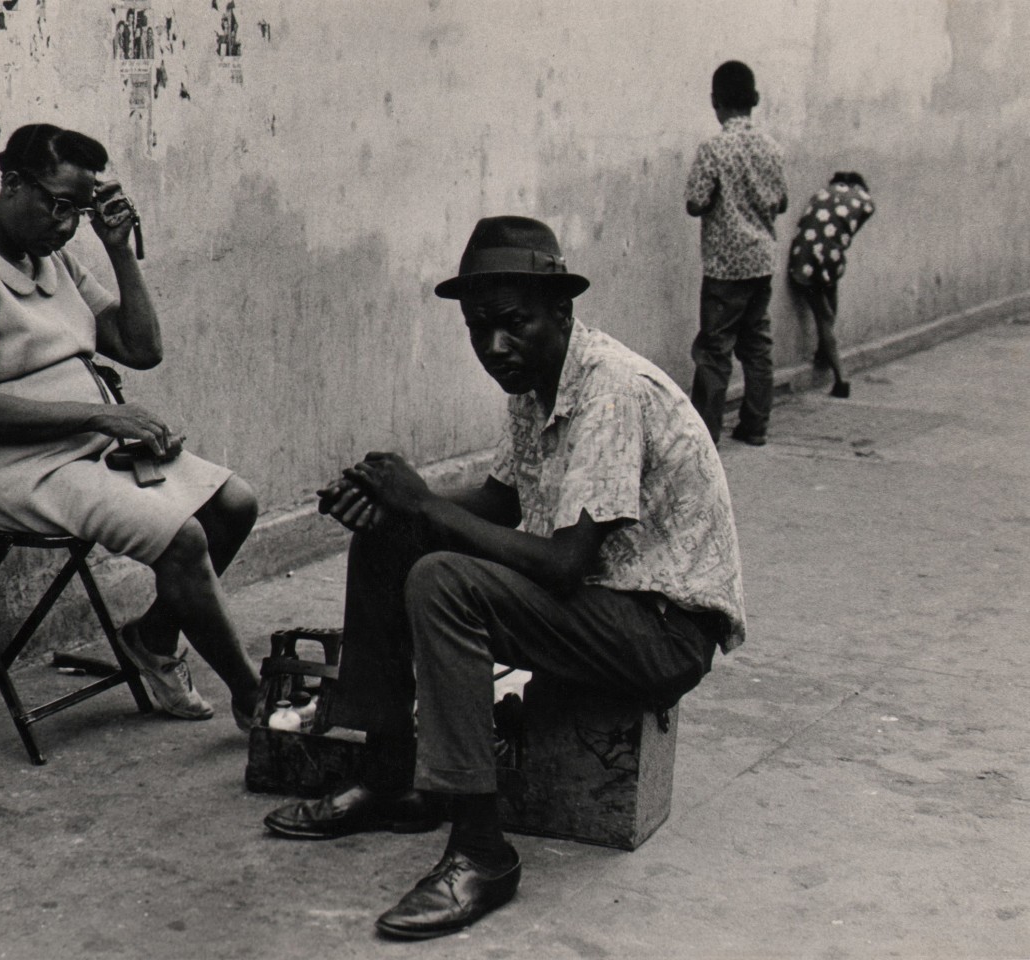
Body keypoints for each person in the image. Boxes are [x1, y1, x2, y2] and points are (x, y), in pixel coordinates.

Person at [262, 216, 746, 939]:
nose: (495, 346)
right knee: (391, 539)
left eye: (513, 323)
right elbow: (502, 501)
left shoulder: (608, 389)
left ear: (561, 310)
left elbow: (561, 564)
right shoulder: (535, 381)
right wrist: (394, 504)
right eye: (477, 328)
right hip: (600, 607)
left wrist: (423, 502)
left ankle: (480, 849)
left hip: (661, 631)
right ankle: (389, 773)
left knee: (443, 580)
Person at [0, 124, 260, 728]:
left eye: (81, 209)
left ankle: (151, 638)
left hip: (85, 450)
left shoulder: (50, 258)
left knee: (235, 504)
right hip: (6, 470)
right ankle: (252, 695)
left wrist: (118, 247)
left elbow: (141, 349)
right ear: (12, 183)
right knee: (184, 538)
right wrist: (101, 413)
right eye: (58, 204)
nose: (68, 224)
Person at [685, 60, 788, 446]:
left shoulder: (713, 149)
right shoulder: (772, 149)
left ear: (716, 101)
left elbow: (695, 203)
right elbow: (781, 203)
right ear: (755, 99)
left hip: (725, 268)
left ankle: (704, 438)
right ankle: (755, 425)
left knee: (714, 351)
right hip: (761, 261)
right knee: (757, 345)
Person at [787, 172, 875, 398]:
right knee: (828, 311)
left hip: (806, 259)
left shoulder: (823, 195)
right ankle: (830, 360)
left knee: (822, 317)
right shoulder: (858, 199)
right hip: (832, 259)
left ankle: (840, 377)